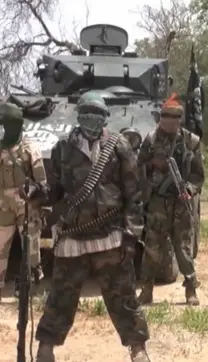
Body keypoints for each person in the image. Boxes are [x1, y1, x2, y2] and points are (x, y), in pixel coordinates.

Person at [35, 92, 150, 362]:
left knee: (122, 296)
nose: (91, 118)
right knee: (61, 297)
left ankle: (137, 348)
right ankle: (46, 348)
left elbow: (134, 194)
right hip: (73, 235)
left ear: (105, 117)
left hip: (110, 235)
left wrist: (132, 234)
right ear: (78, 115)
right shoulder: (63, 147)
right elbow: (54, 190)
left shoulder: (118, 146)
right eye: (86, 112)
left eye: (97, 114)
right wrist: (39, 194)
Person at [137, 93, 204, 306]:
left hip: (181, 203)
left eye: (176, 118)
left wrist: (190, 190)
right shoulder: (150, 140)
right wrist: (153, 166)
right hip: (158, 202)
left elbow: (198, 175)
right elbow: (138, 168)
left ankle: (191, 289)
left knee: (183, 248)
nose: (172, 122)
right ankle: (146, 290)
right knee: (152, 248)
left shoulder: (191, 142)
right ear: (161, 119)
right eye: (167, 118)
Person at [0, 102, 48, 301]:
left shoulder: (29, 149)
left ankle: (32, 286)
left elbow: (42, 184)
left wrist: (38, 204)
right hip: (3, 206)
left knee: (31, 247)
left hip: (26, 205)